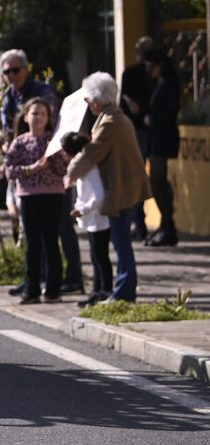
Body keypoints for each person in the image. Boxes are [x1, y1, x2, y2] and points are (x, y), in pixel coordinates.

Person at [0, 49, 83, 295]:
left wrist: (55, 156)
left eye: (16, 70)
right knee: (32, 239)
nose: (11, 75)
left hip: (53, 187)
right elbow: (8, 146)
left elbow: (58, 131)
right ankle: (35, 281)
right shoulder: (9, 99)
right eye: (6, 72)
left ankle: (69, 279)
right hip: (28, 189)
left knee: (60, 231)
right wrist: (18, 157)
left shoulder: (43, 92)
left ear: (26, 69)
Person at [66, 72, 151, 303]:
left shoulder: (110, 123)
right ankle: (123, 292)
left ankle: (123, 294)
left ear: (96, 100)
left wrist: (70, 173)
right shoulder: (116, 117)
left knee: (122, 244)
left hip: (122, 190)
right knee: (121, 243)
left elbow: (91, 154)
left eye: (88, 99)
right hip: (127, 187)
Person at [5, 97, 68, 303]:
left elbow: (62, 171)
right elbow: (10, 170)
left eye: (43, 114)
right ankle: (31, 289)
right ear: (26, 117)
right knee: (32, 244)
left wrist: (59, 157)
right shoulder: (20, 142)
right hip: (29, 196)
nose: (39, 117)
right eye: (35, 113)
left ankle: (53, 289)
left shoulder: (54, 142)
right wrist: (33, 168)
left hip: (53, 196)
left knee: (51, 242)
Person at [61, 132, 112, 308]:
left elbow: (99, 196)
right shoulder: (84, 169)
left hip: (98, 219)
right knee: (95, 256)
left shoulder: (89, 169)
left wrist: (82, 210)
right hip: (93, 221)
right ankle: (97, 292)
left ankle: (106, 292)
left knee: (100, 257)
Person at [141, 46, 180, 247]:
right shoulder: (161, 83)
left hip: (164, 138)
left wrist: (152, 119)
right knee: (157, 183)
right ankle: (166, 225)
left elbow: (171, 113)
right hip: (157, 138)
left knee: (157, 182)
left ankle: (168, 226)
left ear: (160, 66)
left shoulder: (170, 84)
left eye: (151, 68)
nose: (150, 72)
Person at [120, 36, 155, 240]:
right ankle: (140, 223)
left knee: (146, 180)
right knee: (141, 179)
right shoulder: (135, 74)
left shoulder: (157, 75)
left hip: (144, 132)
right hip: (141, 132)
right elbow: (124, 103)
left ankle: (143, 224)